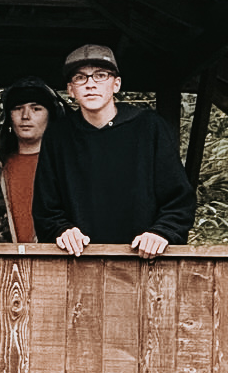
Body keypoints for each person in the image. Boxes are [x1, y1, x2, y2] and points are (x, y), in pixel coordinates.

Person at [32, 44, 195, 259]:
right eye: (80, 78)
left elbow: (179, 198)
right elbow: (45, 206)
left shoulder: (149, 127)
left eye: (100, 75)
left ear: (116, 84)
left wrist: (162, 231)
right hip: (77, 262)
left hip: (145, 261)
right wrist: (61, 230)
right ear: (71, 89)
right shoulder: (58, 135)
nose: (90, 84)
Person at [0, 77, 64, 242]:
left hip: (56, 262)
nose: (25, 116)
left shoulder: (66, 166)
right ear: (9, 117)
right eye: (17, 108)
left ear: (50, 116)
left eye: (36, 109)